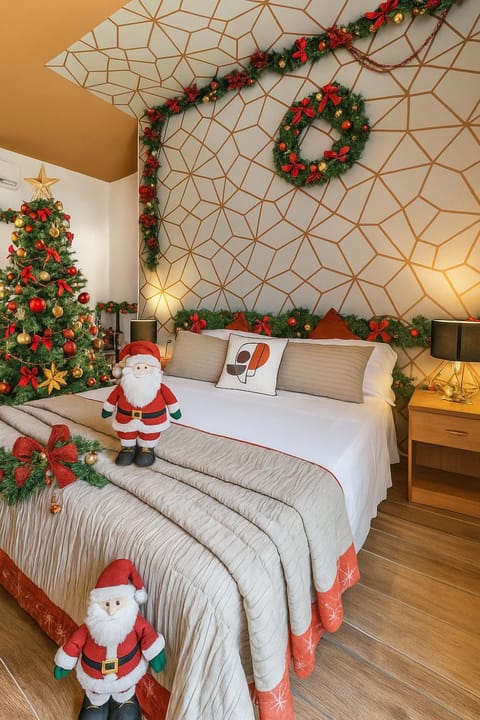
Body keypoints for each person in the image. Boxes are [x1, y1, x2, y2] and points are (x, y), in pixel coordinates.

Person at [54, 559, 166, 720]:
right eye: (106, 604)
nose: (111, 611)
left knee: (128, 716)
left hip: (124, 686)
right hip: (96, 688)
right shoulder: (91, 626)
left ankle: (125, 702)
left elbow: (147, 634)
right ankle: (94, 702)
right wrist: (64, 663)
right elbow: (75, 643)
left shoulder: (133, 621)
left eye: (117, 603)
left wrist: (155, 654)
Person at [102, 340, 181, 467]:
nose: (141, 370)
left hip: (152, 420)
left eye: (146, 367)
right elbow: (112, 398)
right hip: (126, 419)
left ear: (154, 369)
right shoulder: (122, 387)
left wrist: (175, 411)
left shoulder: (160, 387)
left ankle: (147, 449)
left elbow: (170, 399)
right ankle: (128, 448)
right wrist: (107, 409)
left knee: (150, 433)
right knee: (126, 432)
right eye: (137, 367)